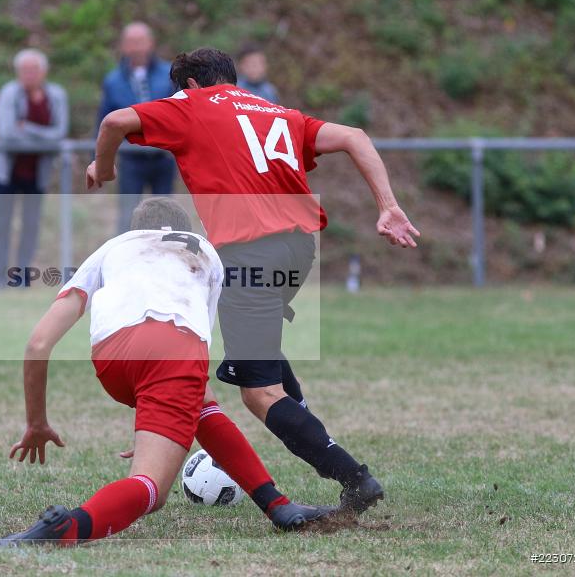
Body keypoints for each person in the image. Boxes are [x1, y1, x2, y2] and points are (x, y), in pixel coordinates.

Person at [87, 48, 421, 516]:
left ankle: (353, 477)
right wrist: (387, 204)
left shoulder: (190, 105)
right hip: (299, 249)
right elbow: (355, 137)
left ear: (190, 85)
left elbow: (114, 122)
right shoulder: (278, 112)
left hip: (250, 253)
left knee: (260, 393)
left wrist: (103, 166)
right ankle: (317, 441)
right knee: (262, 355)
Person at [0, 198, 334, 547]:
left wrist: (36, 422)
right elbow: (196, 339)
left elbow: (38, 344)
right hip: (174, 351)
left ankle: (277, 505)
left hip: (111, 359)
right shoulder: (206, 253)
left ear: (135, 232)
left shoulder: (112, 248)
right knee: (151, 489)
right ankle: (67, 528)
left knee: (199, 403)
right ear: (185, 231)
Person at [0, 49, 69, 288]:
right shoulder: (8, 94)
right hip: (8, 173)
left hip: (37, 173)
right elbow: (7, 133)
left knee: (31, 226)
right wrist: (41, 136)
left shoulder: (55, 96)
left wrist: (27, 127)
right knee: (2, 225)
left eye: (33, 70)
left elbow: (59, 133)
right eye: (24, 70)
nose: (29, 75)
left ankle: (21, 280)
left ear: (43, 72)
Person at [97, 22, 176, 233]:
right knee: (128, 215)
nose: (136, 48)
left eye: (140, 42)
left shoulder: (168, 74)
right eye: (131, 42)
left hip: (162, 156)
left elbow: (178, 111)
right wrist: (99, 158)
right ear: (123, 46)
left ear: (151, 43)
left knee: (164, 215)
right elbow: (105, 119)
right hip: (131, 158)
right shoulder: (113, 81)